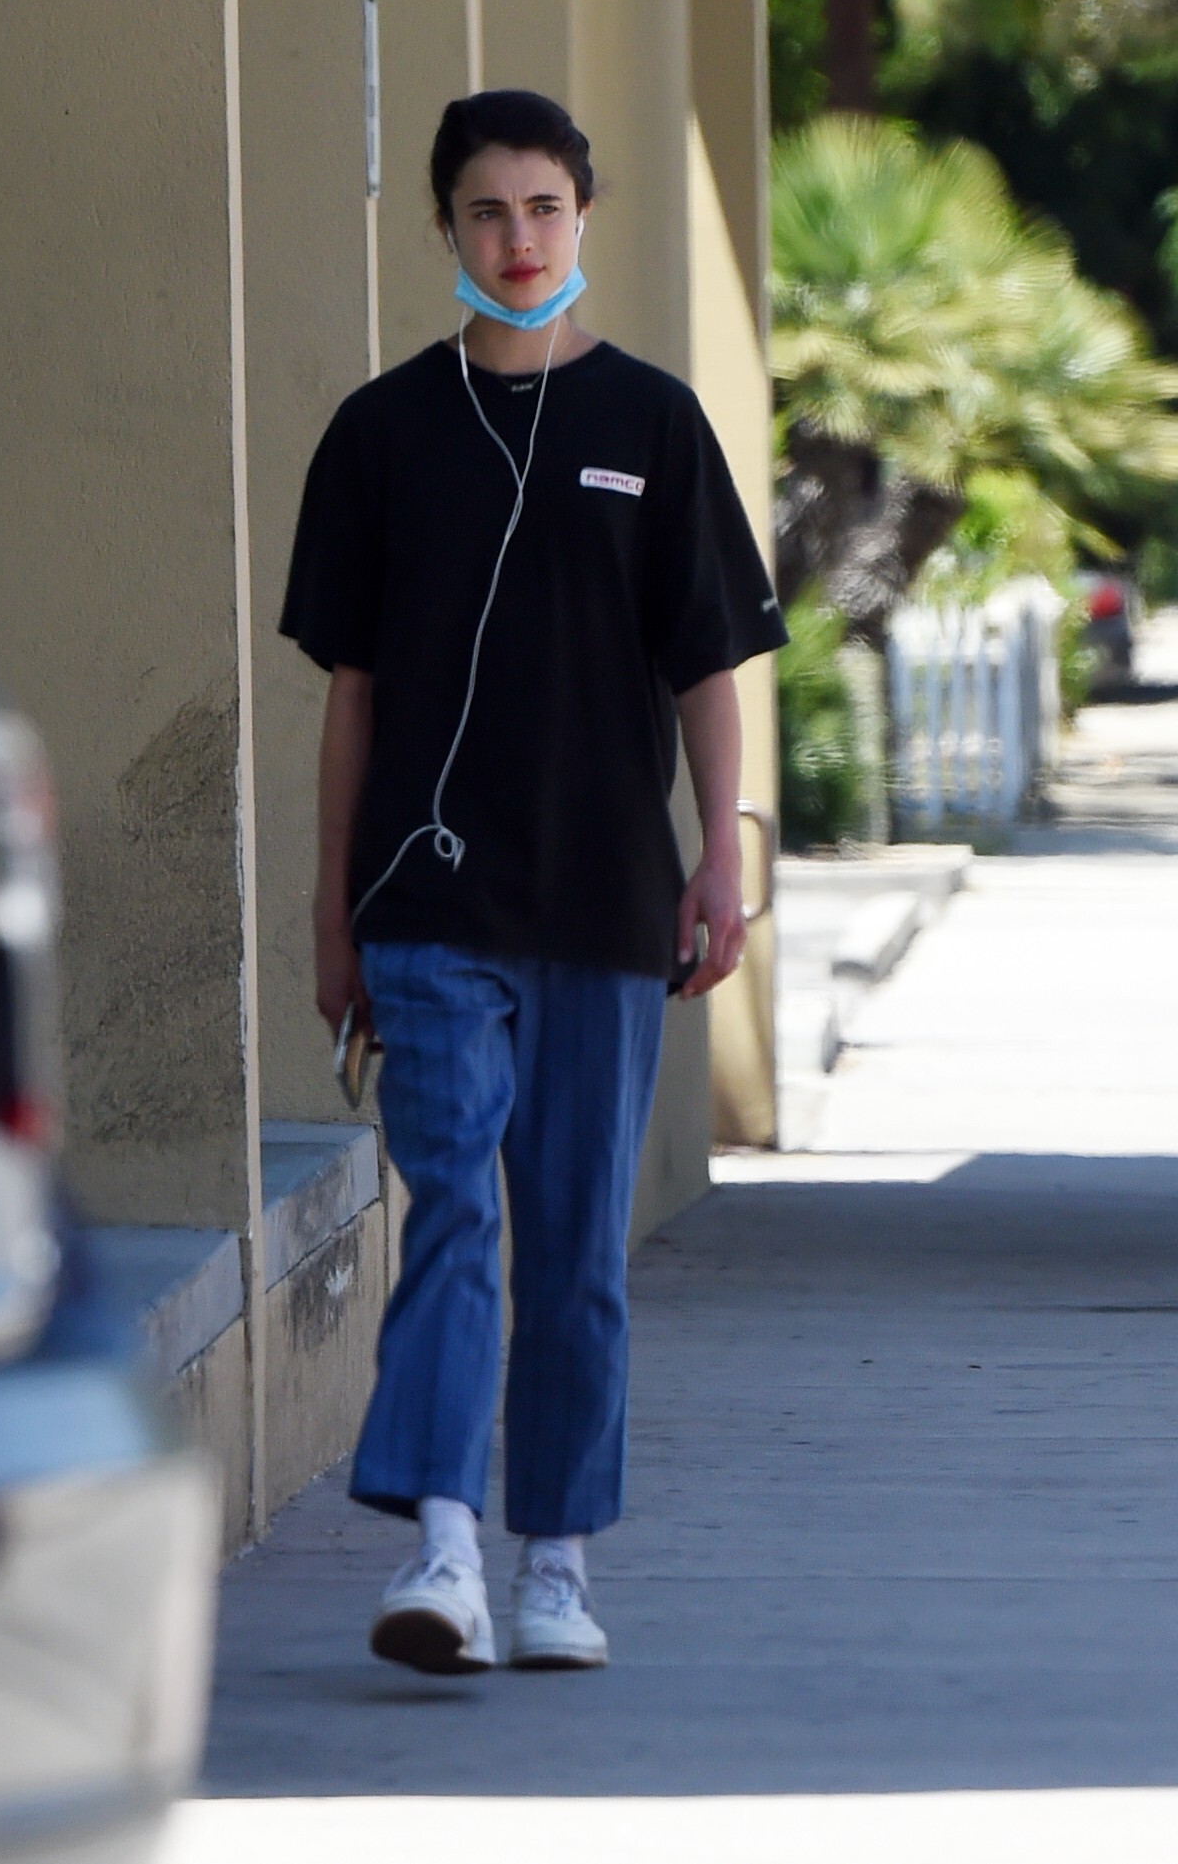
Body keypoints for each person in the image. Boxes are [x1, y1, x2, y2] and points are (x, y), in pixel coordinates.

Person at [280, 89, 786, 1676]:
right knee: (452, 1212)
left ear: (583, 217)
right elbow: (352, 694)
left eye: (544, 208)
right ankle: (443, 1549)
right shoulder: (380, 433)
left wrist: (721, 855)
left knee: (571, 1245)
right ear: (443, 225)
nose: (518, 239)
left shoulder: (652, 424)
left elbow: (706, 666)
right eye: (487, 212)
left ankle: (554, 1562)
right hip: (430, 903)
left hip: (603, 902)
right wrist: (332, 912)